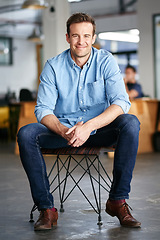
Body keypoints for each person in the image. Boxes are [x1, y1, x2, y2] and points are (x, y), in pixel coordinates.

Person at [17, 13, 141, 231]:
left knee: (130, 122)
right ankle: (47, 209)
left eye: (86, 36)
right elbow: (43, 109)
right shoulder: (53, 66)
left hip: (99, 129)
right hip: (63, 131)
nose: (81, 41)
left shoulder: (106, 61)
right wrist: (65, 131)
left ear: (93, 38)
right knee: (26, 133)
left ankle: (117, 201)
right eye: (75, 36)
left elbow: (121, 102)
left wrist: (89, 127)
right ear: (67, 37)